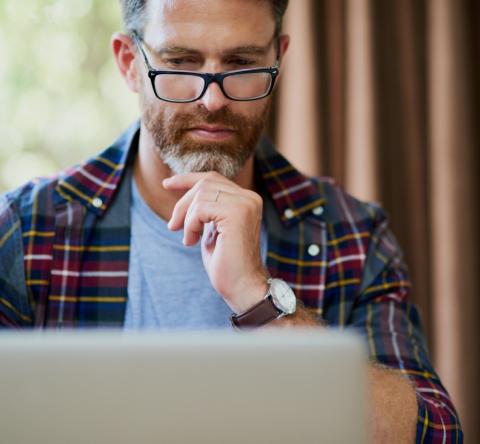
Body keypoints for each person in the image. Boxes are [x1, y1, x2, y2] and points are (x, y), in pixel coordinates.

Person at [0, 0, 462, 442]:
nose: (214, 99)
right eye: (180, 63)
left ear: (278, 58)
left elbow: (434, 435)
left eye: (241, 62)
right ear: (128, 63)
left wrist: (261, 301)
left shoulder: (353, 236)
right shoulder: (29, 230)